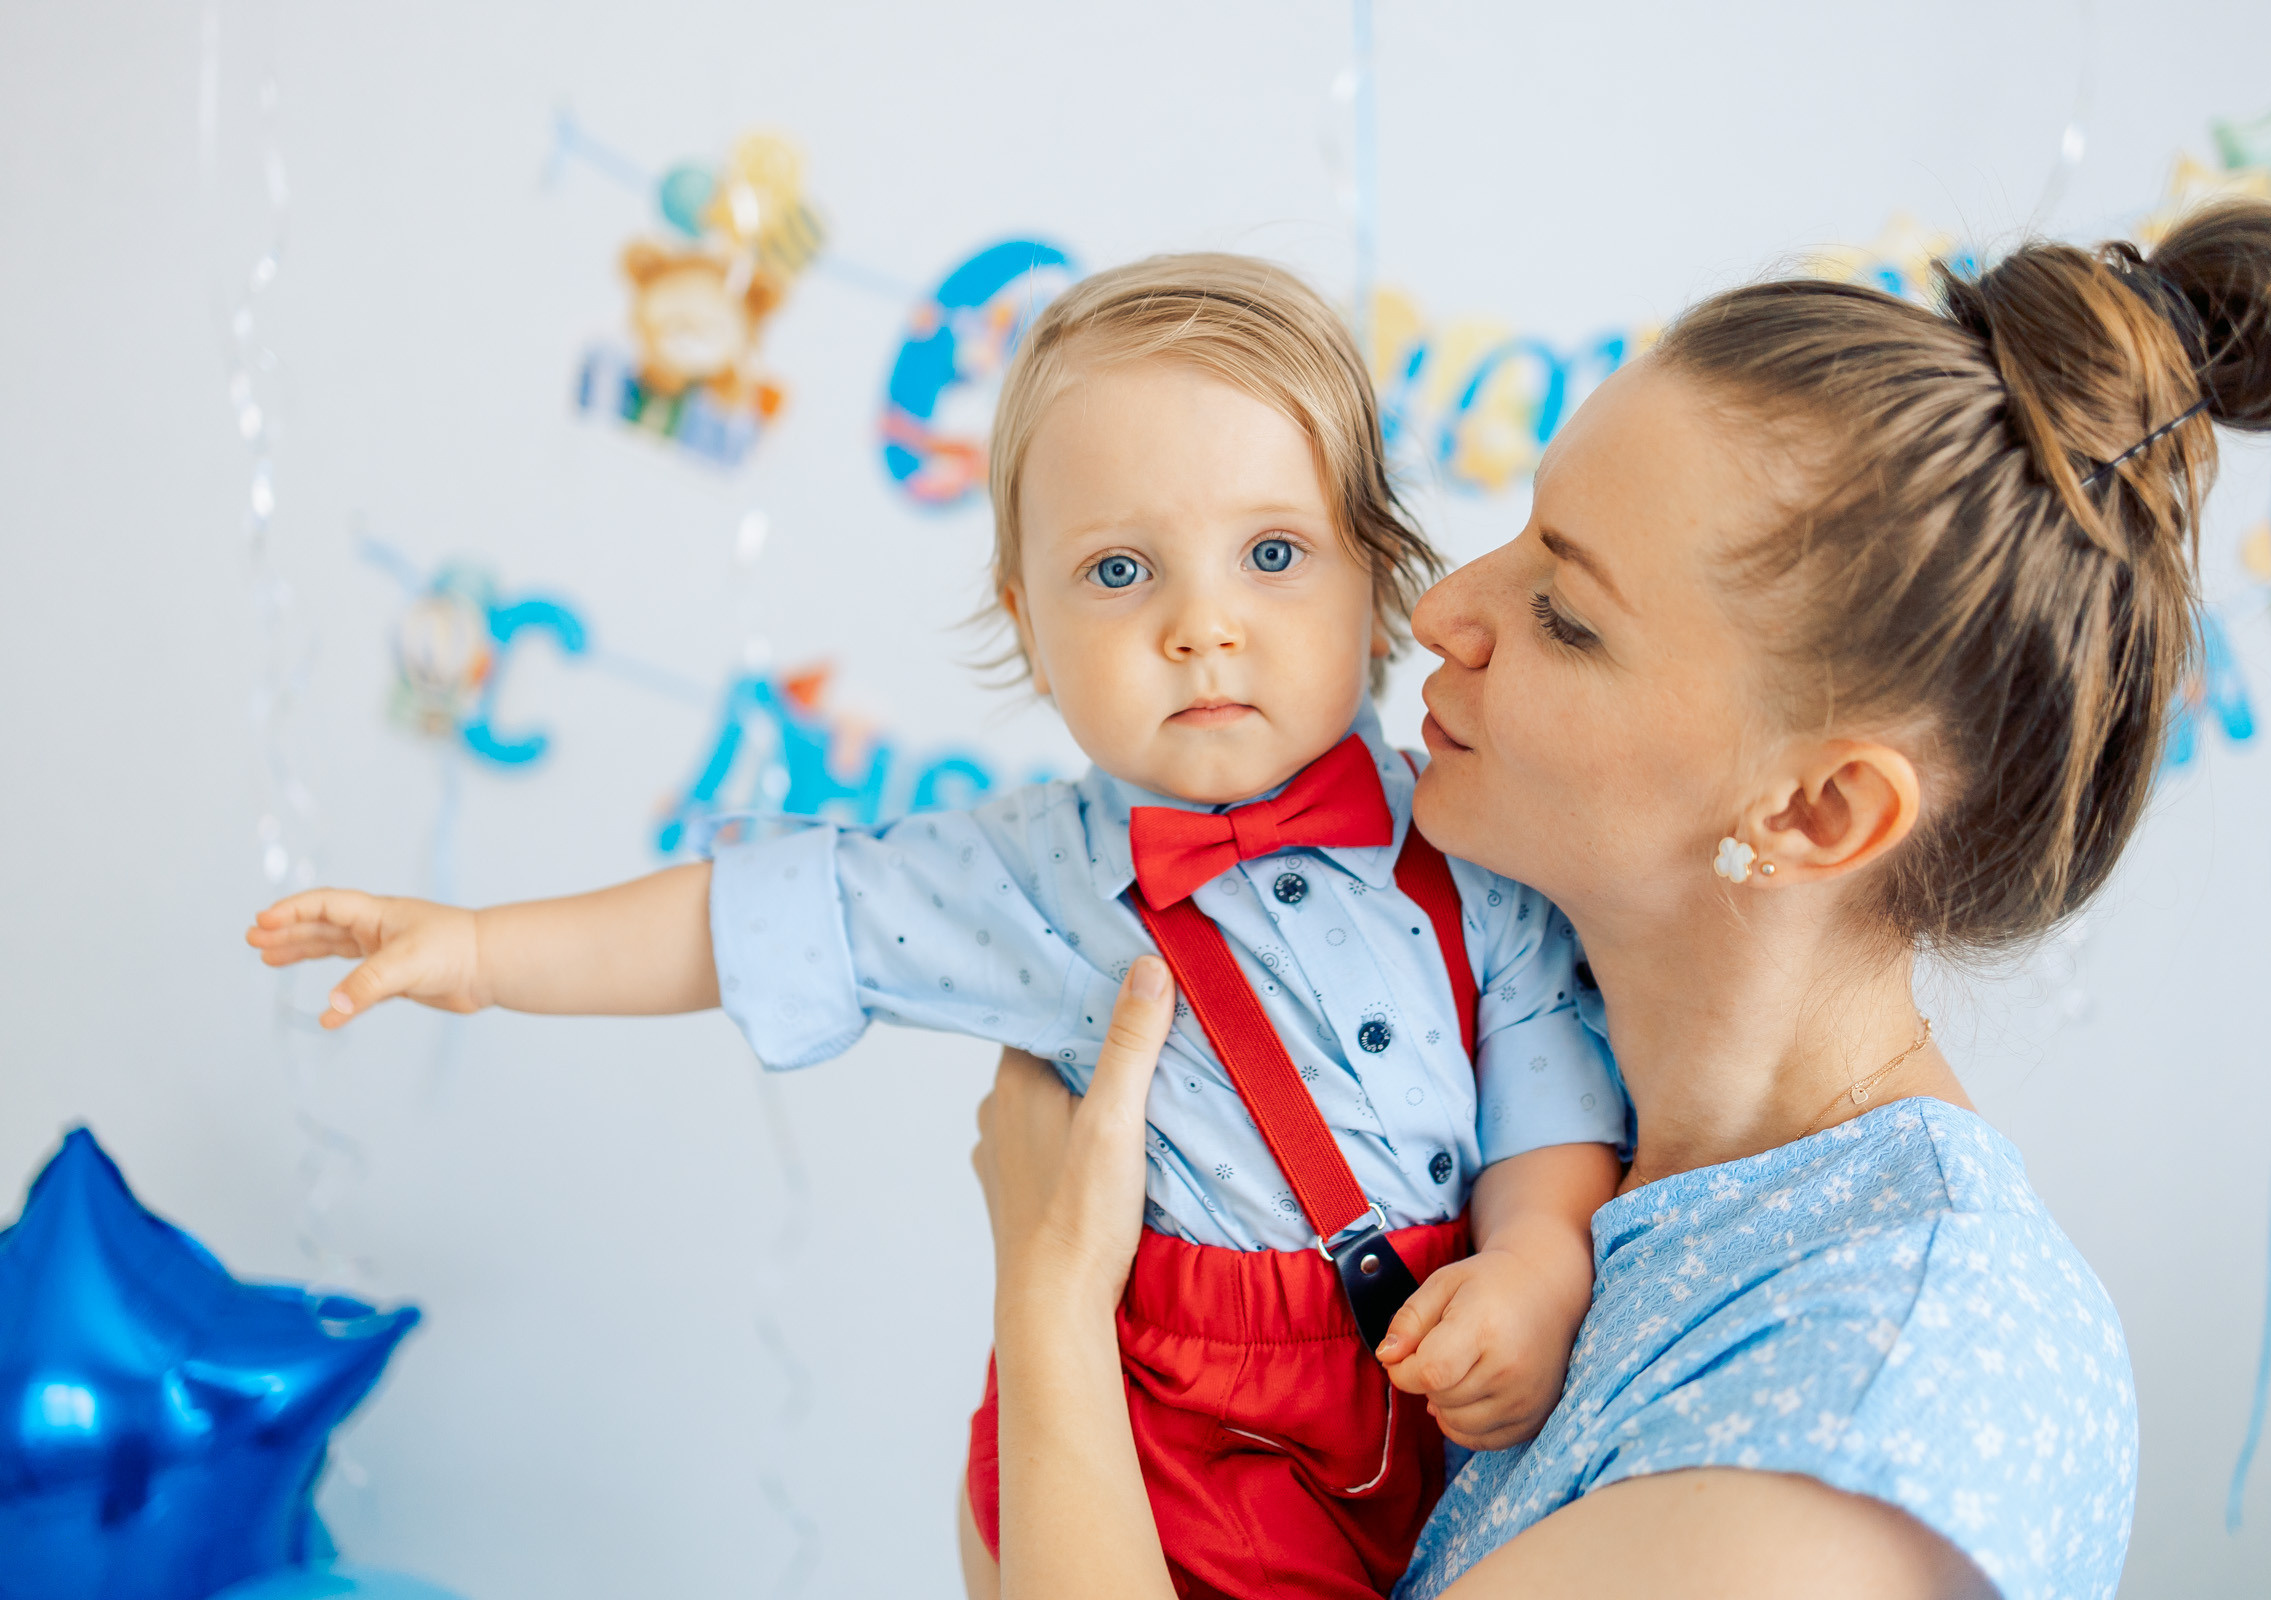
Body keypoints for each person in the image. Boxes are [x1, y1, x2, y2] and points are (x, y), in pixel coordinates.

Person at [964, 198, 2271, 1600]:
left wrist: (1049, 1300)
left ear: (1816, 812)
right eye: (1520, 534)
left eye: (1568, 617)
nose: (1445, 607)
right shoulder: (1543, 1141)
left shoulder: (1870, 1397)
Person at [245, 256, 1626, 1598]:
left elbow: (1548, 1072)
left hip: (1438, 1368)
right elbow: (759, 919)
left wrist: (1536, 1260)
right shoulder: (1019, 874)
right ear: (1030, 631)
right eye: (1120, 573)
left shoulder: (1466, 833)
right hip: (1182, 1439)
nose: (1204, 626)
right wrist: (486, 952)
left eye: (1272, 553)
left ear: (1377, 583)